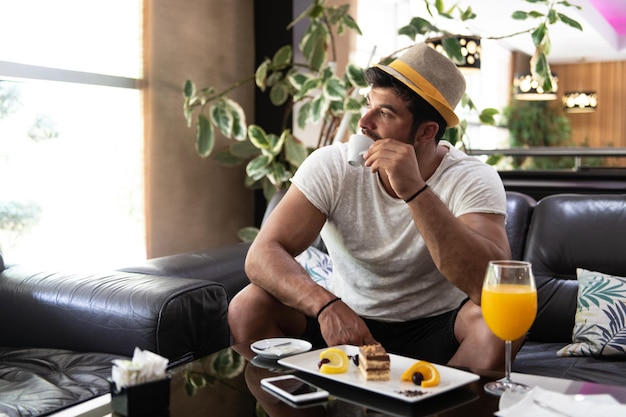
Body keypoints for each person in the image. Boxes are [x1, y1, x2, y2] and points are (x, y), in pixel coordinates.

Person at [228, 42, 512, 370]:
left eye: (385, 113)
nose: (364, 122)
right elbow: (262, 255)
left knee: (497, 324)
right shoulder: (331, 165)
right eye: (368, 104)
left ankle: (437, 404)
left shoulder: (473, 178)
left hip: (435, 329)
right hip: (345, 323)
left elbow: (491, 284)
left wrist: (414, 191)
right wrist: (326, 306)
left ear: (426, 131)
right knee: (248, 305)